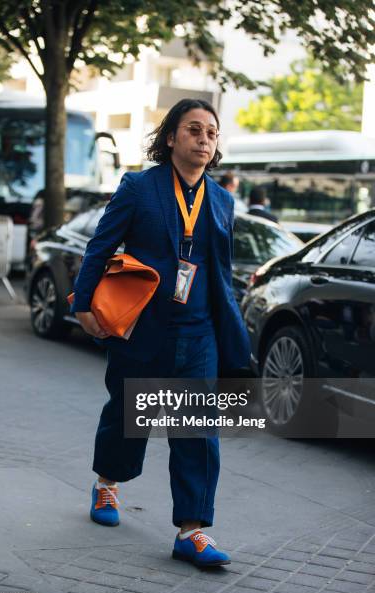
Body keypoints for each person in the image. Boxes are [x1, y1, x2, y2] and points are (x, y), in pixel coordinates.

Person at [71, 98, 250, 568]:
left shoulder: (223, 200)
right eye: (193, 129)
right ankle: (107, 486)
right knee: (127, 417)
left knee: (197, 432)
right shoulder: (139, 187)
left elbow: (219, 272)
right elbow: (100, 246)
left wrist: (231, 337)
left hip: (199, 333)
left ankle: (191, 531)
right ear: (171, 137)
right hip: (141, 328)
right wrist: (83, 302)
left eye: (211, 132)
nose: (204, 138)